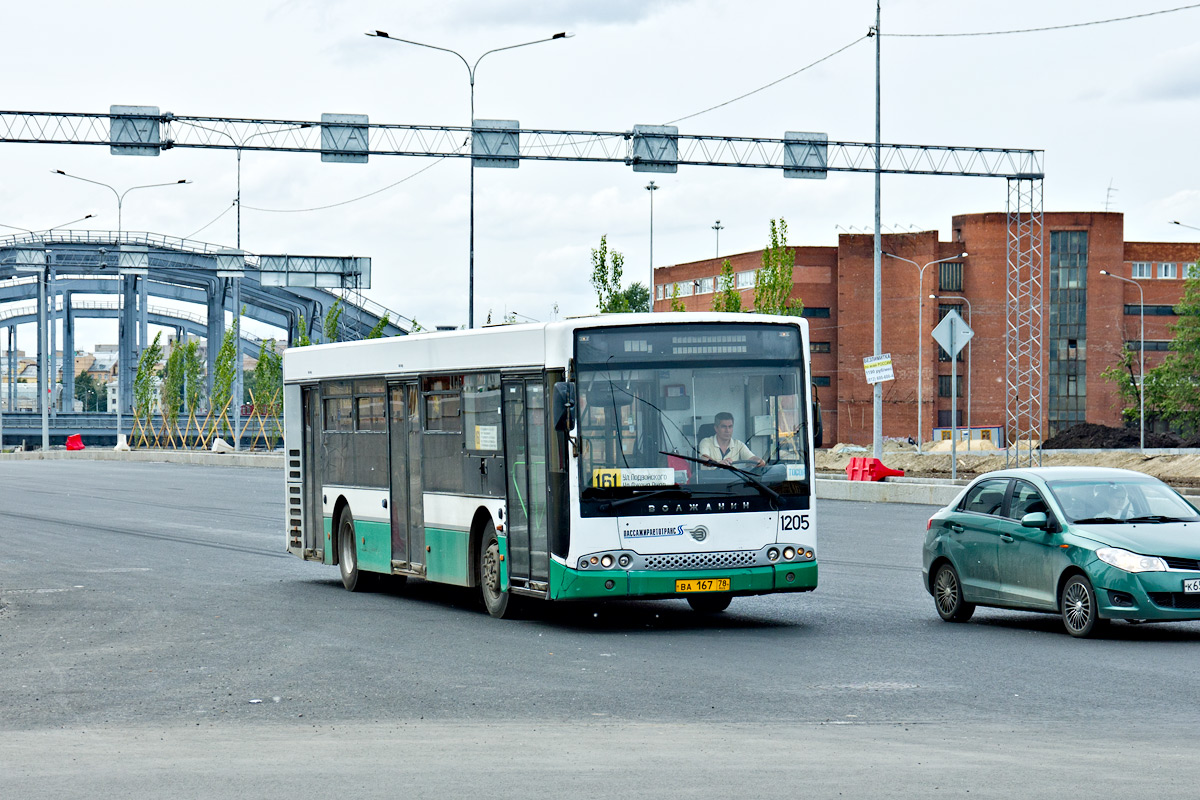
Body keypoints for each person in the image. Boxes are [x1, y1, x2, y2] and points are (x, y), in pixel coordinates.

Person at [698, 412, 765, 467]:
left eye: (730, 427)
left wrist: (759, 461)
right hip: (711, 482)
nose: (727, 430)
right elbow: (705, 458)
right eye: (724, 427)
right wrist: (718, 464)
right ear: (716, 428)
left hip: (733, 482)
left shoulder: (739, 445)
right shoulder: (706, 442)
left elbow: (751, 458)